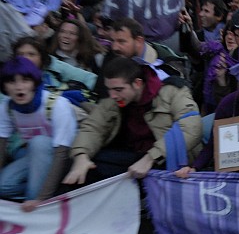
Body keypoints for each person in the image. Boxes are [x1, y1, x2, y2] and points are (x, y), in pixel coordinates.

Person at [63, 57, 202, 185]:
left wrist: (150, 158)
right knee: (82, 166)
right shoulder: (113, 101)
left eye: (118, 89)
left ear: (137, 83)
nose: (113, 95)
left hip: (168, 159)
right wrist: (81, 156)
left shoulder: (173, 91)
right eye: (109, 89)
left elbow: (191, 128)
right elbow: (93, 127)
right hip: (133, 159)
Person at [0, 57, 77, 210]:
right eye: (12, 82)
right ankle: (48, 191)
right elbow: (1, 146)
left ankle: (35, 201)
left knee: (39, 142)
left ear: (34, 83)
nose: (19, 87)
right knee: (3, 186)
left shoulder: (57, 105)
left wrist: (40, 198)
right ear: (5, 87)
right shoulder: (6, 108)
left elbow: (61, 154)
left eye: (25, 80)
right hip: (36, 157)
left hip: (67, 159)